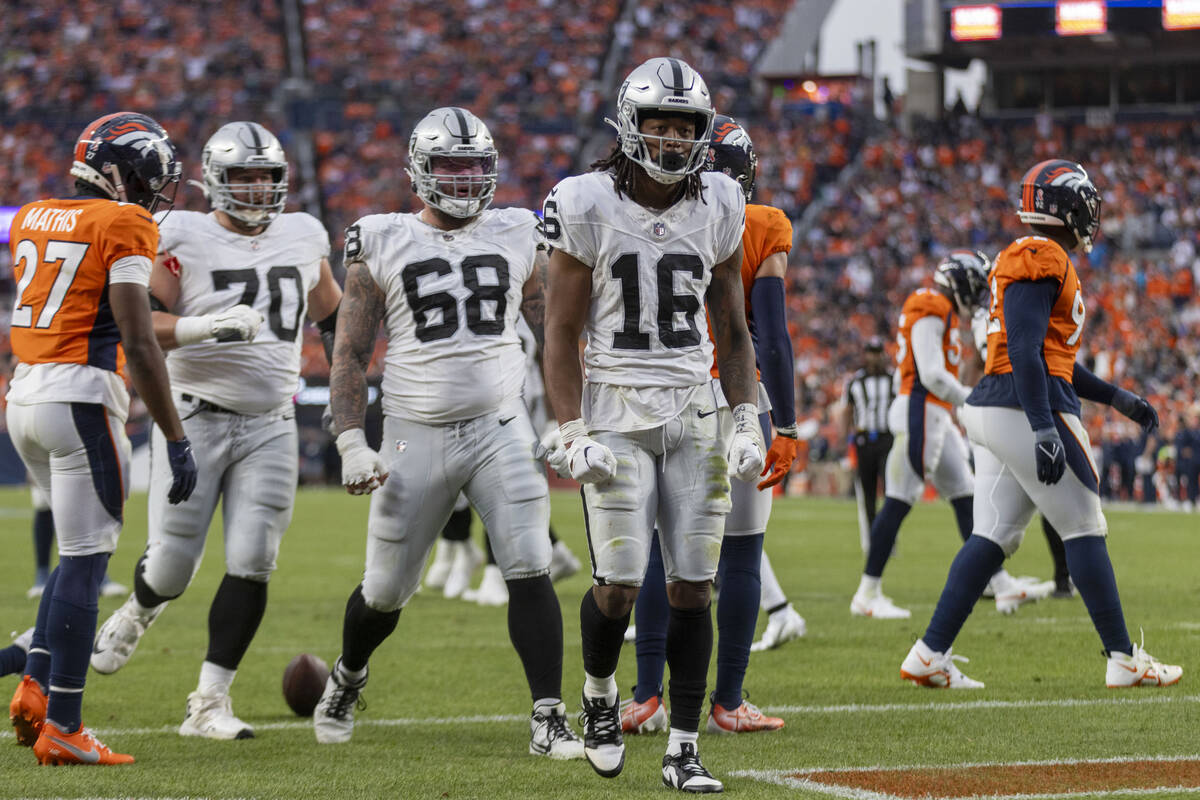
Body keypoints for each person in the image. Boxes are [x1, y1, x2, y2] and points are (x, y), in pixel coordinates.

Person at [310, 106, 583, 761]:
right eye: (449, 168)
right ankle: (347, 676)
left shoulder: (520, 229)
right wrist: (351, 439)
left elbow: (552, 334)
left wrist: (573, 422)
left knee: (528, 561)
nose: (463, 181)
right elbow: (349, 353)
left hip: (501, 427)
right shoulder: (379, 237)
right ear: (418, 171)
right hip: (411, 434)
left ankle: (549, 717)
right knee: (384, 592)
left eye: (474, 168)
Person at [542, 58, 764, 793]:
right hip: (615, 410)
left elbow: (732, 328)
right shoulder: (583, 202)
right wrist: (572, 431)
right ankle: (601, 697)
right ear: (629, 128)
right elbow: (561, 331)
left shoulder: (722, 204)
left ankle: (685, 747)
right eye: (659, 125)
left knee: (695, 587)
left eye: (685, 127)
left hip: (693, 410)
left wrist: (744, 417)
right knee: (620, 584)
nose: (671, 140)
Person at [89, 121, 343, 740]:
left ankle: (209, 702)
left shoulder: (304, 233)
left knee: (255, 559)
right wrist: (206, 328)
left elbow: (335, 317)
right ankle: (140, 608)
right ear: (214, 181)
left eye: (266, 177)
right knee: (173, 566)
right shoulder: (181, 234)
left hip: (272, 422)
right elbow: (143, 325)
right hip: (194, 413)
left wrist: (345, 391)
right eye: (243, 177)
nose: (256, 189)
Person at [900, 159, 1182, 689]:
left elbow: (1049, 355)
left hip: (998, 404)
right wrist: (1044, 428)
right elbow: (1026, 352)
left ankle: (929, 653)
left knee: (994, 533)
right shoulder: (1041, 253)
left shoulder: (1036, 257)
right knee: (1084, 525)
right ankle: (1123, 659)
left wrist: (1116, 397)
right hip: (1023, 405)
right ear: (1067, 205)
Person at [6, 111, 197, 765]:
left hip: (24, 399)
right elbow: (139, 340)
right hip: (82, 399)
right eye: (149, 178)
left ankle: (32, 682)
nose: (153, 194)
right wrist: (175, 437)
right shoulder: (125, 222)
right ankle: (64, 724)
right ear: (122, 171)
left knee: (73, 552)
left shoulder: (34, 214)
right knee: (88, 562)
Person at [621, 116, 794, 737]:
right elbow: (769, 335)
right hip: (742, 397)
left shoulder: (651, 219)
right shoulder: (760, 224)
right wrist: (790, 423)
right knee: (743, 555)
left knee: (660, 554)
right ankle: (727, 701)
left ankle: (645, 696)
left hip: (675, 396)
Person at [850, 250, 1051, 619]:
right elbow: (930, 372)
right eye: (974, 289)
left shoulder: (940, 308)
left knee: (966, 495)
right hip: (921, 410)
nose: (976, 298)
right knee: (898, 500)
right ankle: (867, 592)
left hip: (934, 414)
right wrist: (970, 400)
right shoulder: (930, 303)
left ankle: (999, 584)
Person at [840, 336, 894, 554]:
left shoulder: (893, 379)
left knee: (891, 493)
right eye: (871, 352)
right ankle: (872, 541)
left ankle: (888, 540)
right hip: (864, 440)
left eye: (878, 351)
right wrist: (846, 438)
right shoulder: (855, 381)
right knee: (868, 494)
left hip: (887, 438)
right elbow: (847, 410)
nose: (875, 356)